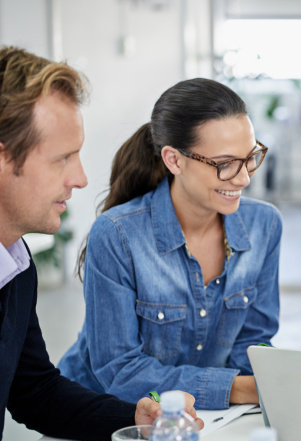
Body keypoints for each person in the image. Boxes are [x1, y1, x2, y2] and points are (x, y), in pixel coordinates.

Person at [0, 46, 201, 441]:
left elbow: (34, 391)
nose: (81, 178)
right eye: (62, 158)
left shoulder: (14, 264)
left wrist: (132, 417)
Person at [57, 77, 282, 410]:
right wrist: (240, 389)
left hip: (199, 414)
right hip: (101, 413)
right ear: (174, 160)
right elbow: (120, 371)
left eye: (250, 157)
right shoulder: (117, 234)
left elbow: (253, 340)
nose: (244, 178)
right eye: (225, 164)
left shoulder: (264, 225)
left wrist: (277, 378)